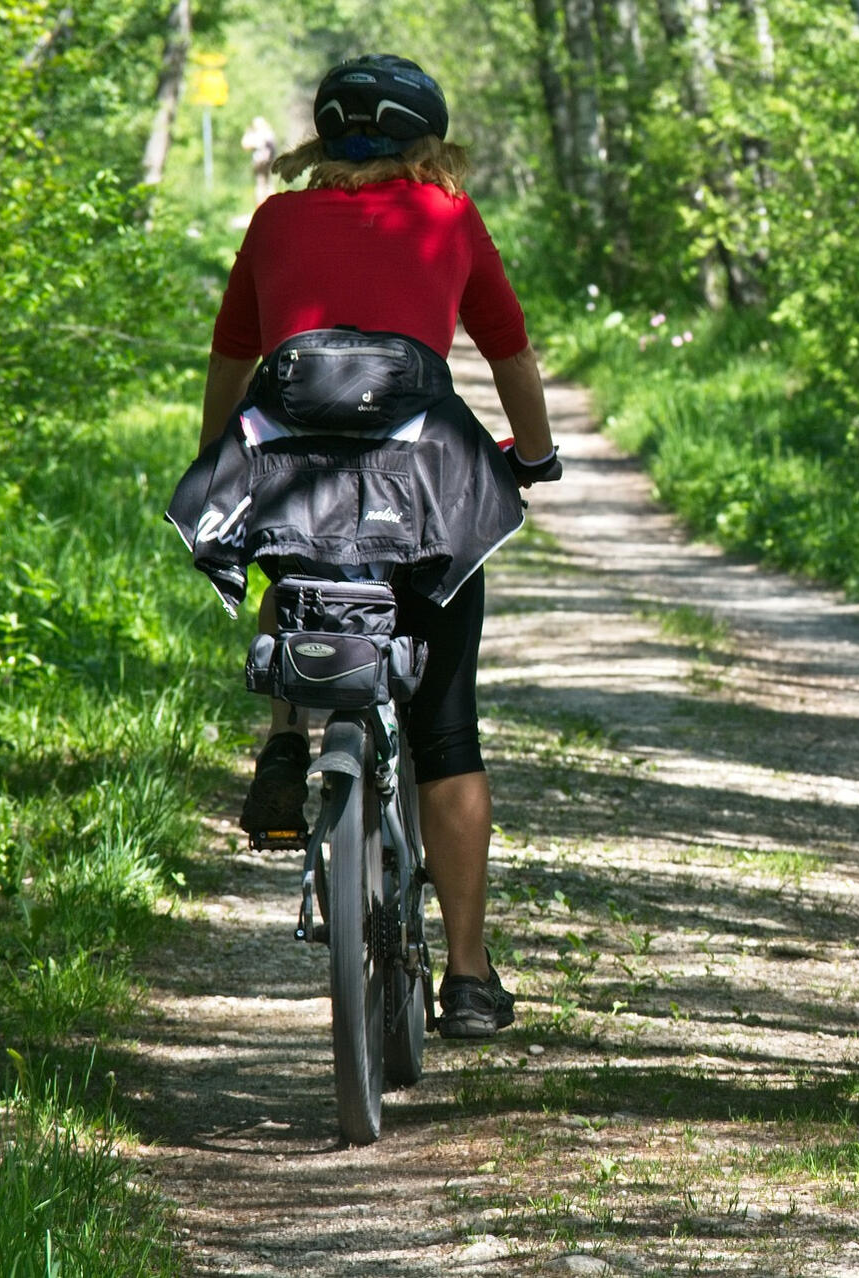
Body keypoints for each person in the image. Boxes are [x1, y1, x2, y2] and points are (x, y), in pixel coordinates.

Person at [195, 55, 560, 1039]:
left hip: (292, 465)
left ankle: (284, 735)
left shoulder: (274, 221)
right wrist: (535, 456)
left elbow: (235, 357)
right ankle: (471, 978)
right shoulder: (446, 216)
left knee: (290, 551)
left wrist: (215, 459)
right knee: (447, 729)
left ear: (323, 141)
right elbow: (508, 348)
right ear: (424, 144)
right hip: (422, 479)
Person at [240, 115, 276, 206]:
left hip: (263, 162)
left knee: (263, 183)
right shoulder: (267, 132)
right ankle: (266, 205)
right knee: (264, 183)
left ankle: (265, 205)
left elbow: (245, 144)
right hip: (263, 162)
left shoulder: (259, 133)